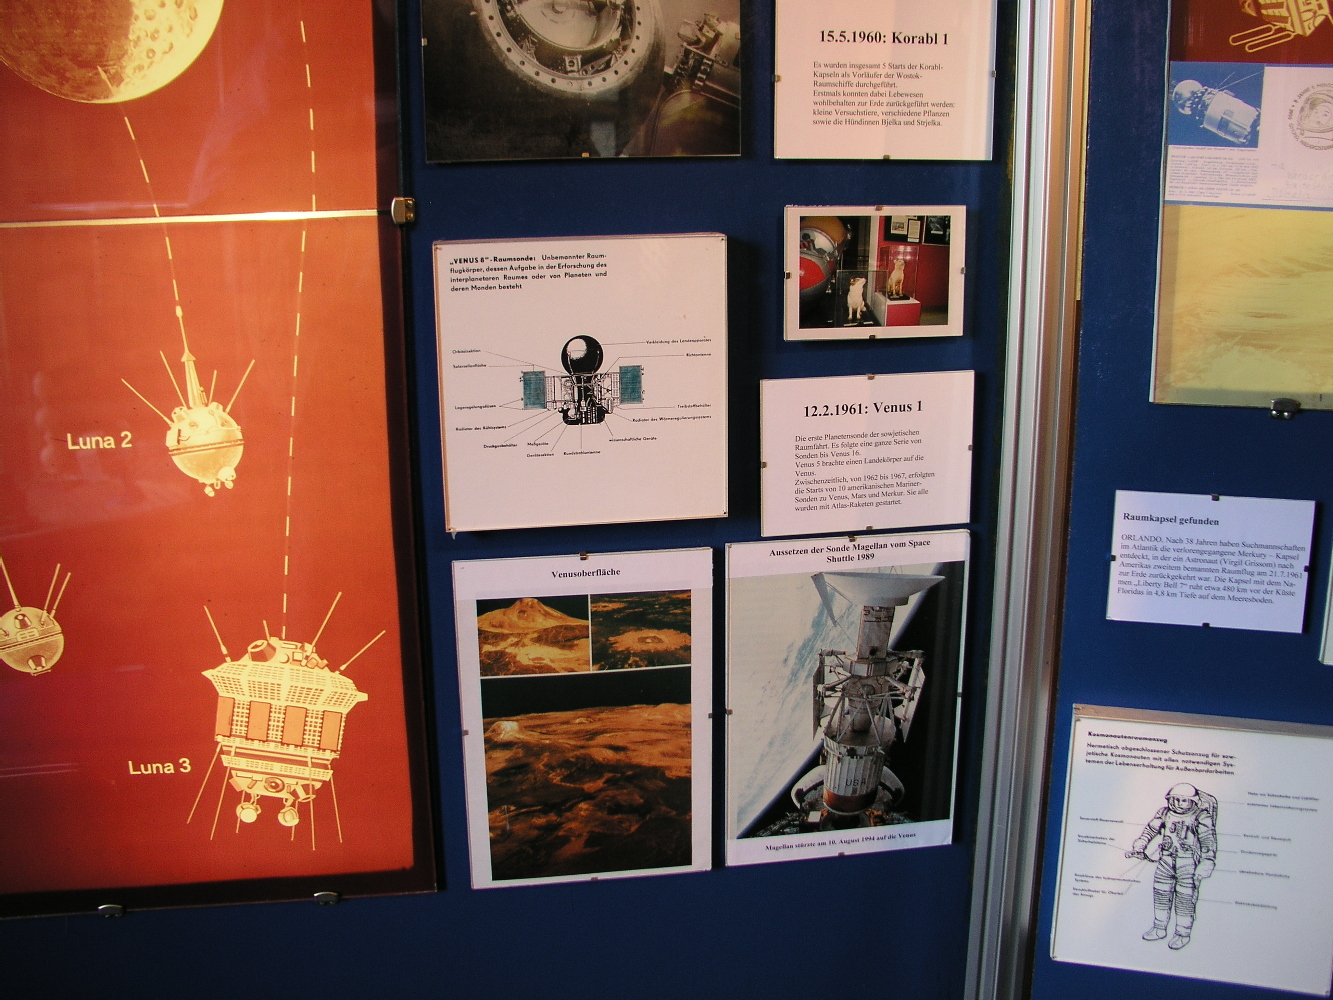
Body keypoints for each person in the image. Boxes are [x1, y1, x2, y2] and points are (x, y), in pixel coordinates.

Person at [1125, 782, 1217, 950]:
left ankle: (1182, 933)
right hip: (1166, 860)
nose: (1178, 804)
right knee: (1161, 894)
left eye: (1183, 800)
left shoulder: (1201, 816)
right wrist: (1141, 844)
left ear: (1193, 801)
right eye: (1175, 799)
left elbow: (1207, 841)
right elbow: (1151, 829)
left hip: (1188, 863)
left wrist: (1207, 860)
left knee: (1185, 899)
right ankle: (1159, 927)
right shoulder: (1164, 813)